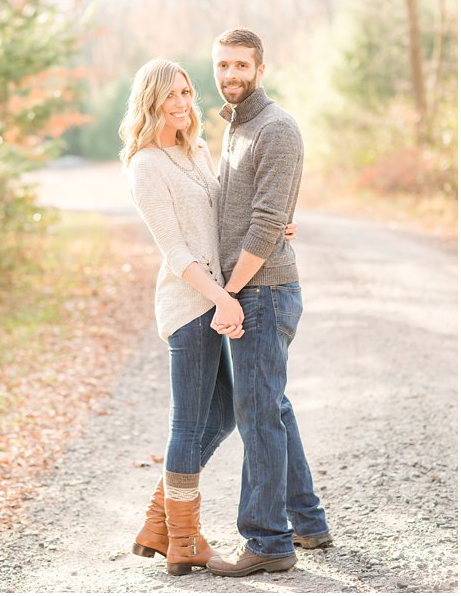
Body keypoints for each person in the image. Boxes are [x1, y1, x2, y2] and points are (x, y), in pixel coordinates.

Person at [205, 28, 331, 578]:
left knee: (257, 413)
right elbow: (256, 211)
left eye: (241, 66)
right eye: (223, 65)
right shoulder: (237, 128)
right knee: (271, 405)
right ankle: (306, 521)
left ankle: (268, 541)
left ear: (261, 68)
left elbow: (261, 226)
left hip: (263, 291)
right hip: (255, 288)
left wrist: (228, 294)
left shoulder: (276, 128)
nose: (231, 75)